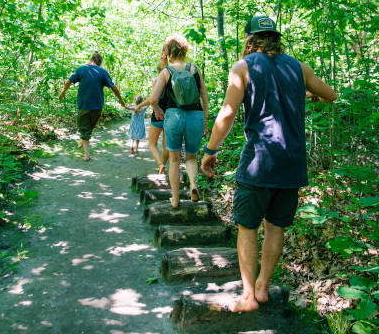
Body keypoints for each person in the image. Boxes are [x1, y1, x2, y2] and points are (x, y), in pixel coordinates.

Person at [201, 16, 337, 313]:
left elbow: (227, 114)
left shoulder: (244, 67)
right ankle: (263, 286)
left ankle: (248, 296)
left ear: (250, 39)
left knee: (247, 227)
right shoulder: (299, 68)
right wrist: (308, 92)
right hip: (291, 163)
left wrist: (210, 150)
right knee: (276, 228)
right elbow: (331, 95)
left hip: (259, 162)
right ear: (276, 38)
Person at [135, 34, 208, 208]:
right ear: (184, 50)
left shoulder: (166, 72)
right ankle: (192, 185)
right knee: (191, 157)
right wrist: (204, 118)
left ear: (169, 52)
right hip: (195, 116)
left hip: (173, 116)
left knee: (174, 160)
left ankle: (175, 199)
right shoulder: (195, 69)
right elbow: (204, 94)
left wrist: (160, 111)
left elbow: (153, 99)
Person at [58, 51, 130, 161]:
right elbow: (114, 88)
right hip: (97, 106)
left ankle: (86, 152)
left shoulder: (82, 69)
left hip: (84, 105)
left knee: (84, 128)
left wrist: (63, 91)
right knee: (88, 127)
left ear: (91, 60)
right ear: (100, 62)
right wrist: (121, 100)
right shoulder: (102, 72)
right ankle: (86, 150)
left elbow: (68, 81)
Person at [148, 64, 170, 174]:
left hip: (157, 115)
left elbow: (152, 99)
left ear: (158, 71)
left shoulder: (156, 81)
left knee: (152, 144)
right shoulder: (173, 81)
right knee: (166, 145)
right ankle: (163, 164)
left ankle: (160, 164)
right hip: (169, 115)